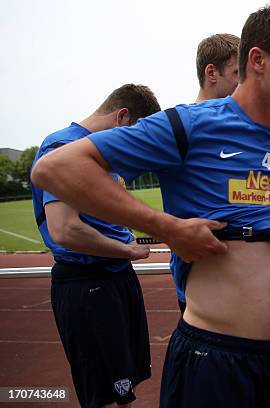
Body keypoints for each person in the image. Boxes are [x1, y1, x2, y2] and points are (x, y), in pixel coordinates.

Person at [31, 5, 270, 407]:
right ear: (258, 60)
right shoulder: (189, 125)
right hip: (215, 357)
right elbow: (55, 169)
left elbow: (262, 217)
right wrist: (165, 227)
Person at [31, 84, 161, 408]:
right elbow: (64, 228)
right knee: (102, 394)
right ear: (122, 117)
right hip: (88, 282)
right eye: (136, 136)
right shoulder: (63, 146)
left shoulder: (103, 154)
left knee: (123, 387)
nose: (136, 148)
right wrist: (127, 250)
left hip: (116, 277)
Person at [172, 32, 241, 315]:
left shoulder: (245, 128)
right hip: (203, 298)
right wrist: (164, 227)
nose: (246, 82)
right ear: (211, 73)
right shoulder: (179, 126)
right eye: (239, 73)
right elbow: (88, 170)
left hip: (252, 293)